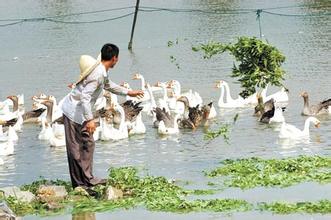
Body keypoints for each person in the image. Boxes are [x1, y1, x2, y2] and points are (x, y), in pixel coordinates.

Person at [61, 43, 143, 196]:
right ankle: (79, 184)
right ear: (114, 59)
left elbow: (109, 85)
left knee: (88, 143)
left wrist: (128, 92)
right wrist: (90, 120)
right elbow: (85, 97)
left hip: (82, 113)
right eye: (117, 59)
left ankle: (88, 178)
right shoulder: (98, 74)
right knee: (75, 148)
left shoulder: (102, 72)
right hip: (73, 112)